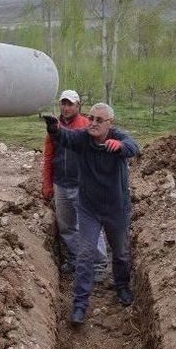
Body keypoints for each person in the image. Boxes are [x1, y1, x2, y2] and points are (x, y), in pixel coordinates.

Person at [43, 103, 140, 325]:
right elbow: (65, 138)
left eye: (99, 120)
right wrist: (54, 129)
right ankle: (79, 304)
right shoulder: (83, 138)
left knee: (121, 252)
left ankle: (122, 286)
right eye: (91, 118)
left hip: (117, 209)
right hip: (89, 209)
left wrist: (120, 147)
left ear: (110, 124)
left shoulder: (118, 137)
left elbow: (134, 147)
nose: (93, 123)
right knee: (85, 255)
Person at [42, 90, 108, 278]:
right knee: (67, 227)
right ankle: (76, 258)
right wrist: (47, 183)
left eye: (70, 104)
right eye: (63, 103)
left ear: (78, 106)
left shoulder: (87, 125)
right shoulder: (54, 126)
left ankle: (99, 264)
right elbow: (48, 155)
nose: (66, 107)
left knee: (89, 225)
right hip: (60, 184)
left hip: (82, 185)